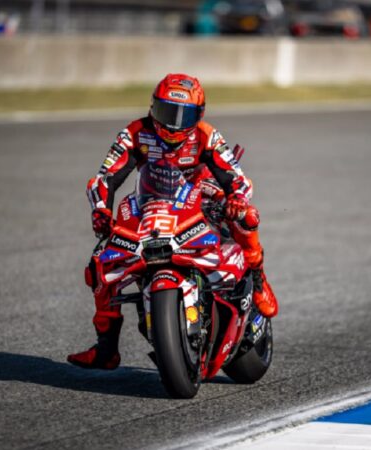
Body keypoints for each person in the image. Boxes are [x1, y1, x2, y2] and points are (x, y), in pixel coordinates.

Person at [68, 73, 279, 370]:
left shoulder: (206, 135)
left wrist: (236, 200)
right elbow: (105, 177)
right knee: (99, 264)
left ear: (199, 115)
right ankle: (106, 349)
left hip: (203, 191)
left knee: (247, 217)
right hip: (154, 196)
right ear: (153, 107)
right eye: (168, 112)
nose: (174, 125)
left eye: (185, 116)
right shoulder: (135, 132)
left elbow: (238, 179)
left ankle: (258, 281)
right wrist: (101, 210)